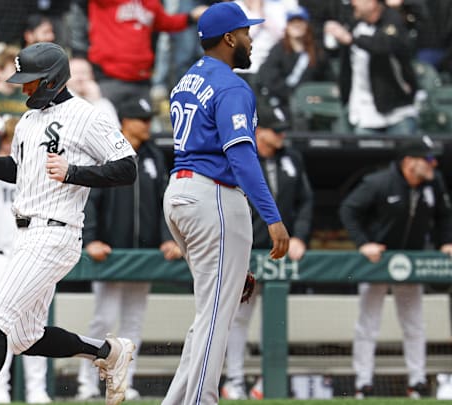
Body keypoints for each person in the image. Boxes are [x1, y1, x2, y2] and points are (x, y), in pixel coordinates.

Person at [0, 42, 138, 405]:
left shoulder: (86, 115)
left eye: (31, 81)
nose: (24, 88)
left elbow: (127, 166)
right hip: (28, 233)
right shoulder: (27, 121)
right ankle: (108, 352)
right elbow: (19, 172)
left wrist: (74, 172)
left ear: (52, 80)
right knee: (26, 337)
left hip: (56, 231)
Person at [161, 3, 290, 404]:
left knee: (209, 313)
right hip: (212, 194)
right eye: (246, 33)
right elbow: (240, 155)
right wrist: (272, 217)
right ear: (230, 38)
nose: (251, 40)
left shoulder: (187, 79)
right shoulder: (231, 85)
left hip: (180, 193)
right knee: (217, 317)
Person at [75, 97, 182, 401]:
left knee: (134, 321)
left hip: (144, 254)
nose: (147, 125)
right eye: (142, 119)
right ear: (125, 121)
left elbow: (166, 199)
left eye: (149, 119)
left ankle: (122, 383)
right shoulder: (107, 151)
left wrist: (169, 237)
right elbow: (91, 200)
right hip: (109, 252)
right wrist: (91, 238)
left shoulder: (153, 156)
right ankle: (86, 383)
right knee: (104, 318)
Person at [338, 135, 452, 399]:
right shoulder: (379, 182)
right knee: (368, 323)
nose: (433, 164)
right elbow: (349, 209)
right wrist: (363, 243)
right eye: (428, 159)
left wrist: (446, 241)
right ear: (409, 162)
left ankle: (418, 381)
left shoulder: (434, 184)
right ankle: (363, 383)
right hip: (378, 261)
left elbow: (445, 215)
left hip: (410, 261)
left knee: (414, 324)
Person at [221, 105, 314, 401]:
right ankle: (234, 380)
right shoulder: (239, 155)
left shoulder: (291, 158)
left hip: (282, 249)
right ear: (259, 131)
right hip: (246, 247)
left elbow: (305, 200)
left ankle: (266, 379)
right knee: (238, 318)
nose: (282, 135)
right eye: (276, 130)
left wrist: (299, 235)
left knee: (276, 319)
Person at [0, 117, 52, 404]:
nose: (9, 144)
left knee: (31, 327)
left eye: (12, 139)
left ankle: (37, 390)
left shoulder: (34, 168)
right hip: (1, 258)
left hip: (32, 256)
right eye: (6, 139)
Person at [87, 0, 207, 107]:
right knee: (107, 127)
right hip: (108, 77)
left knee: (141, 129)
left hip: (141, 79)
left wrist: (191, 17)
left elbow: (165, 22)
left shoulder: (151, 3)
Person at [324, 0, 419, 135]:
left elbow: (385, 45)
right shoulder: (354, 24)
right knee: (363, 154)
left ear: (372, 3)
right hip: (364, 111)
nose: (353, 3)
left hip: (397, 111)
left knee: (404, 154)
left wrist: (352, 40)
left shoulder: (393, 19)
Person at [257, 6, 334, 114]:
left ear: (307, 25)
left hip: (311, 108)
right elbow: (268, 77)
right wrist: (292, 95)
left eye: (301, 21)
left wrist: (318, 96)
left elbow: (328, 80)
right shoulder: (278, 50)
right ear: (287, 26)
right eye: (293, 22)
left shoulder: (317, 52)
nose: (297, 25)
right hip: (283, 105)